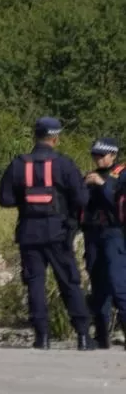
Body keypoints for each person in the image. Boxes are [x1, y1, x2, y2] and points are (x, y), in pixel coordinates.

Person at [0, 117, 94, 350]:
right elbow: (82, 199)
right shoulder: (64, 164)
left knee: (35, 284)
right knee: (69, 282)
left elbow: (4, 199)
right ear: (55, 138)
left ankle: (42, 337)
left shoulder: (20, 163)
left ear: (35, 136)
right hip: (59, 232)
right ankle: (82, 336)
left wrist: (26, 199)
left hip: (29, 232)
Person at [82, 137, 126, 349]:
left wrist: (104, 185)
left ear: (113, 155)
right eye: (95, 155)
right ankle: (101, 336)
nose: (97, 159)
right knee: (98, 287)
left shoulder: (122, 176)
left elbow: (117, 204)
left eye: (102, 155)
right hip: (93, 235)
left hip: (115, 234)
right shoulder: (90, 176)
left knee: (119, 285)